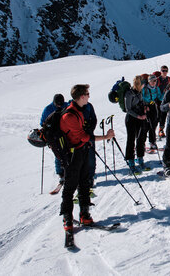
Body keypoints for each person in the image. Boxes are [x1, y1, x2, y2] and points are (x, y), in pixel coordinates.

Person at [59, 84, 114, 231]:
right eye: (87, 94)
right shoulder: (70, 115)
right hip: (72, 155)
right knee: (70, 187)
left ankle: (84, 213)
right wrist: (106, 137)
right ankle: (67, 218)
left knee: (84, 183)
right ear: (81, 96)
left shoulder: (80, 110)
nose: (89, 96)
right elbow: (84, 137)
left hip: (81, 151)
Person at [41, 94, 67, 186]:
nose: (60, 106)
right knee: (58, 154)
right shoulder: (48, 109)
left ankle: (69, 171)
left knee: (67, 153)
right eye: (58, 104)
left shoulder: (66, 105)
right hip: (53, 136)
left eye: (61, 104)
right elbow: (42, 123)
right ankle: (60, 174)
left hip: (64, 134)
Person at [124, 75, 148, 173]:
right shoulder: (129, 93)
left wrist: (145, 108)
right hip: (131, 119)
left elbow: (141, 103)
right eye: (143, 84)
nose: (144, 85)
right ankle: (130, 161)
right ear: (139, 84)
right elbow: (128, 109)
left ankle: (140, 158)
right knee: (131, 139)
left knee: (141, 138)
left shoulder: (140, 92)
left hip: (140, 117)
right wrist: (139, 116)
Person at [142, 74, 163, 150]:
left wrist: (164, 93)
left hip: (153, 107)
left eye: (155, 80)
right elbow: (141, 98)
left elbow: (160, 97)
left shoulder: (157, 88)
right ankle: (142, 143)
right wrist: (144, 105)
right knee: (145, 126)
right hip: (145, 108)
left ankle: (152, 142)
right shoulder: (144, 89)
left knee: (153, 125)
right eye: (152, 81)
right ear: (149, 81)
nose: (154, 82)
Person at [157, 65, 170, 138]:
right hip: (158, 100)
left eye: (166, 71)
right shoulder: (157, 80)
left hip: (166, 100)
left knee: (164, 115)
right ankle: (157, 130)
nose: (164, 72)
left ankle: (161, 130)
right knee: (158, 116)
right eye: (163, 70)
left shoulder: (169, 79)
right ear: (160, 71)